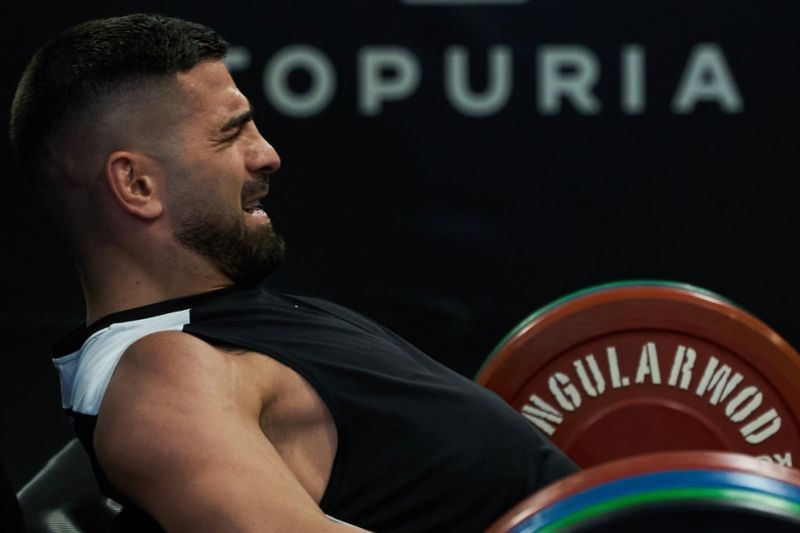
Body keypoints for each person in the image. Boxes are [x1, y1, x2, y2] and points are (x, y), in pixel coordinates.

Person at [9, 13, 578, 532]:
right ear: (137, 185)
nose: (267, 155)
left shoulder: (223, 328)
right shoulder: (164, 371)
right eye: (231, 133)